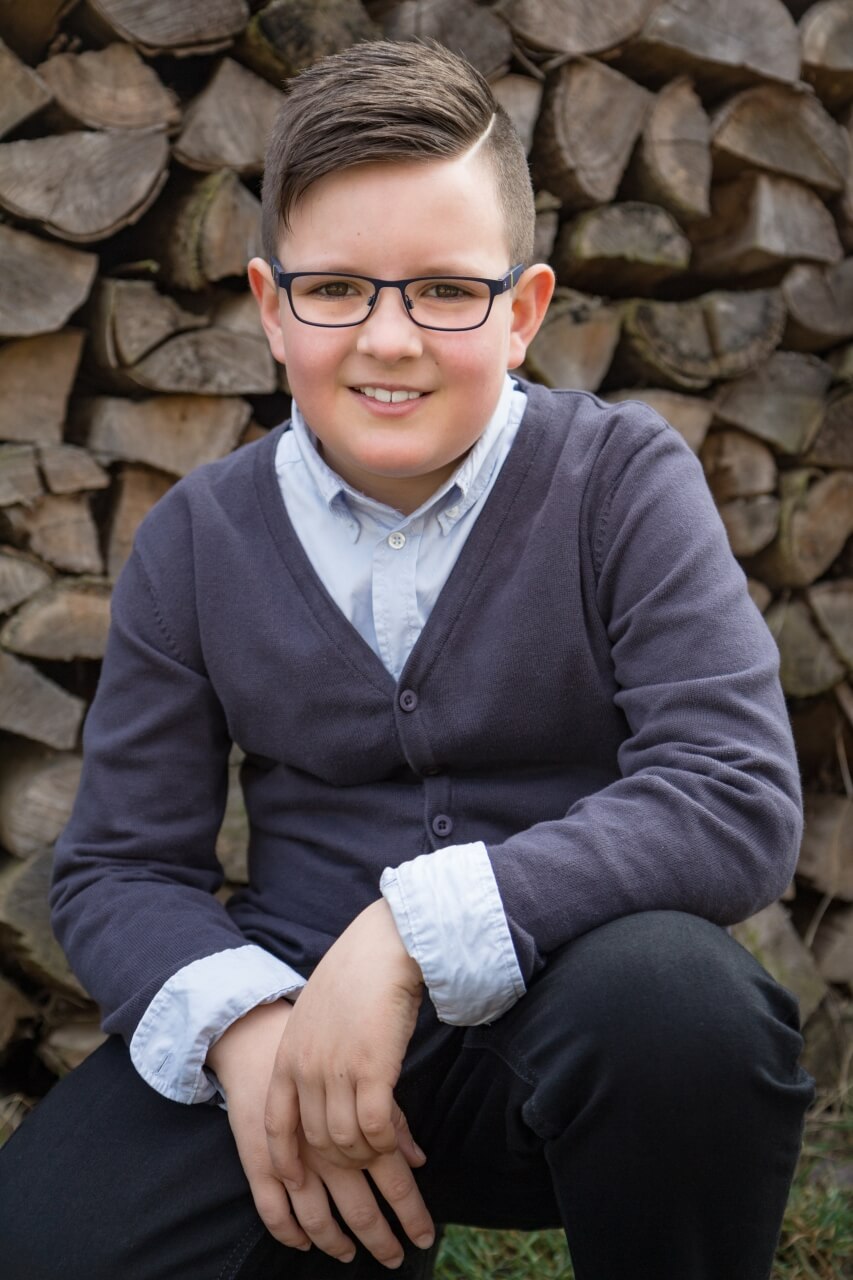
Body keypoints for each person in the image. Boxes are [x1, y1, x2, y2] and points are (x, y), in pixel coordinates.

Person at [0, 38, 813, 1280]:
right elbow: (121, 865)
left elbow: (731, 790)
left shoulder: (620, 483)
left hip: (570, 1024)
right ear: (272, 308)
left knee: (683, 1010)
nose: (388, 339)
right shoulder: (197, 539)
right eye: (336, 288)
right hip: (293, 1013)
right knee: (45, 1241)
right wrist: (249, 1030)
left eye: (443, 290)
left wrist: (404, 934)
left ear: (523, 311)